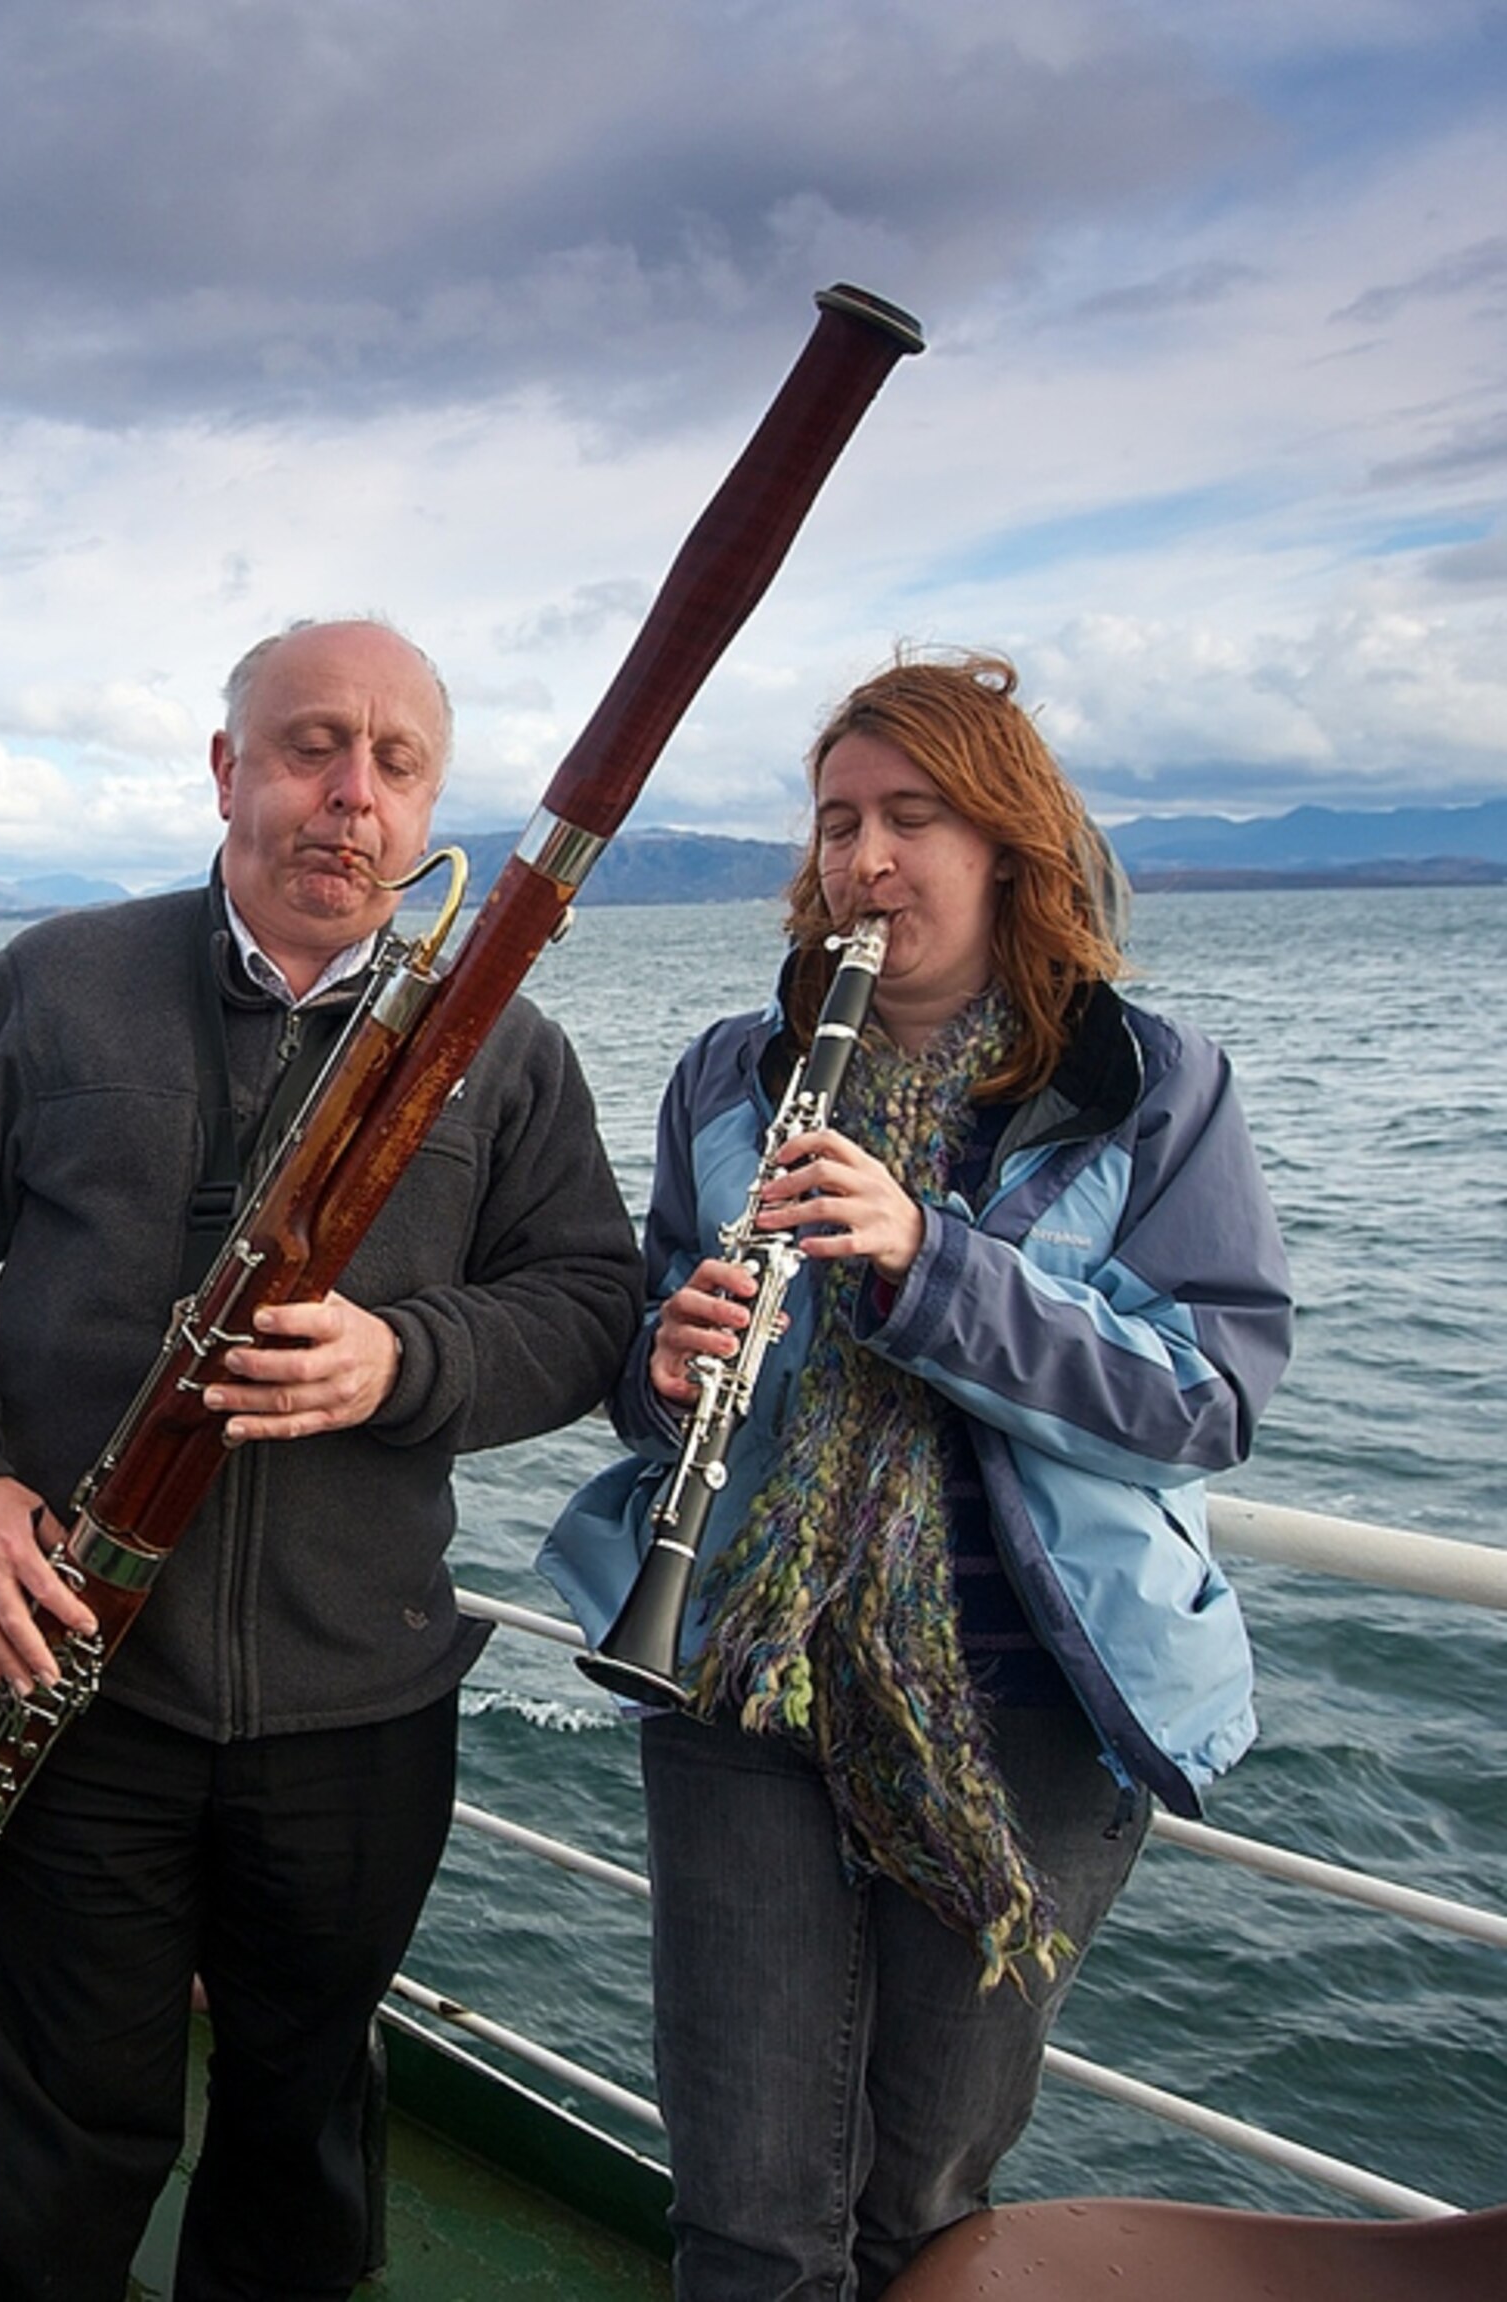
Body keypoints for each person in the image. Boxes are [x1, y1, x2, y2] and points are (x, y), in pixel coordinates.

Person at [0, 617, 641, 2302]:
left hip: (361, 1711)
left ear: (428, 810)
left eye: (395, 764)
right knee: (57, 2151)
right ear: (226, 770)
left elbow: (584, 1306)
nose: (350, 797)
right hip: (74, 1683)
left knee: (300, 2134)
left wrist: (404, 1359)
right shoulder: (57, 982)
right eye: (309, 747)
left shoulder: (502, 1041)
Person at [539, 651, 1295, 2302]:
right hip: (745, 1671)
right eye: (836, 825)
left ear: (1008, 841)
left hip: (1024, 1707)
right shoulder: (734, 1073)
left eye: (912, 816)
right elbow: (654, 1353)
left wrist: (931, 1261)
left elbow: (1206, 1397)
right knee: (746, 2202)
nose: (865, 863)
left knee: (923, 2203)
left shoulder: (1151, 1084)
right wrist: (659, 1365)